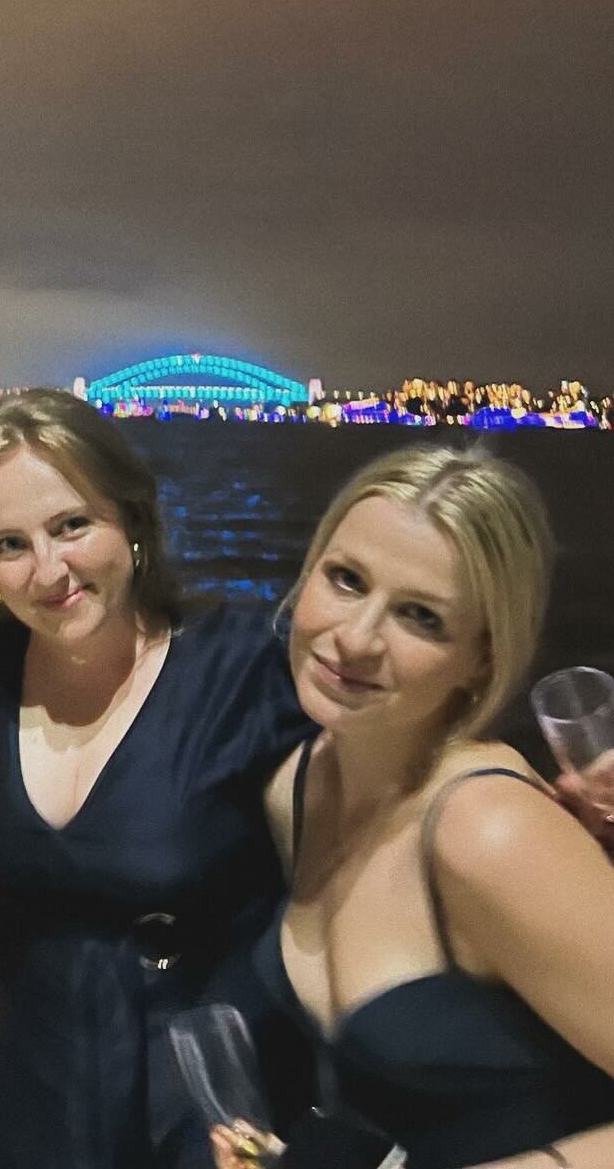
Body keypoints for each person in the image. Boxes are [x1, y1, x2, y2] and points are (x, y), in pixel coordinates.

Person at [0, 389, 314, 1169]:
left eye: (72, 525)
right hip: (23, 1113)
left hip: (204, 1113)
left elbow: (371, 817)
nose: (49, 570)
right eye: (11, 544)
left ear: (133, 521)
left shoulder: (241, 670)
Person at [216, 446, 614, 1169]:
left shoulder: (488, 833)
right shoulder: (297, 787)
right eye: (346, 579)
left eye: (421, 617)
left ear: (481, 659)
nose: (356, 639)